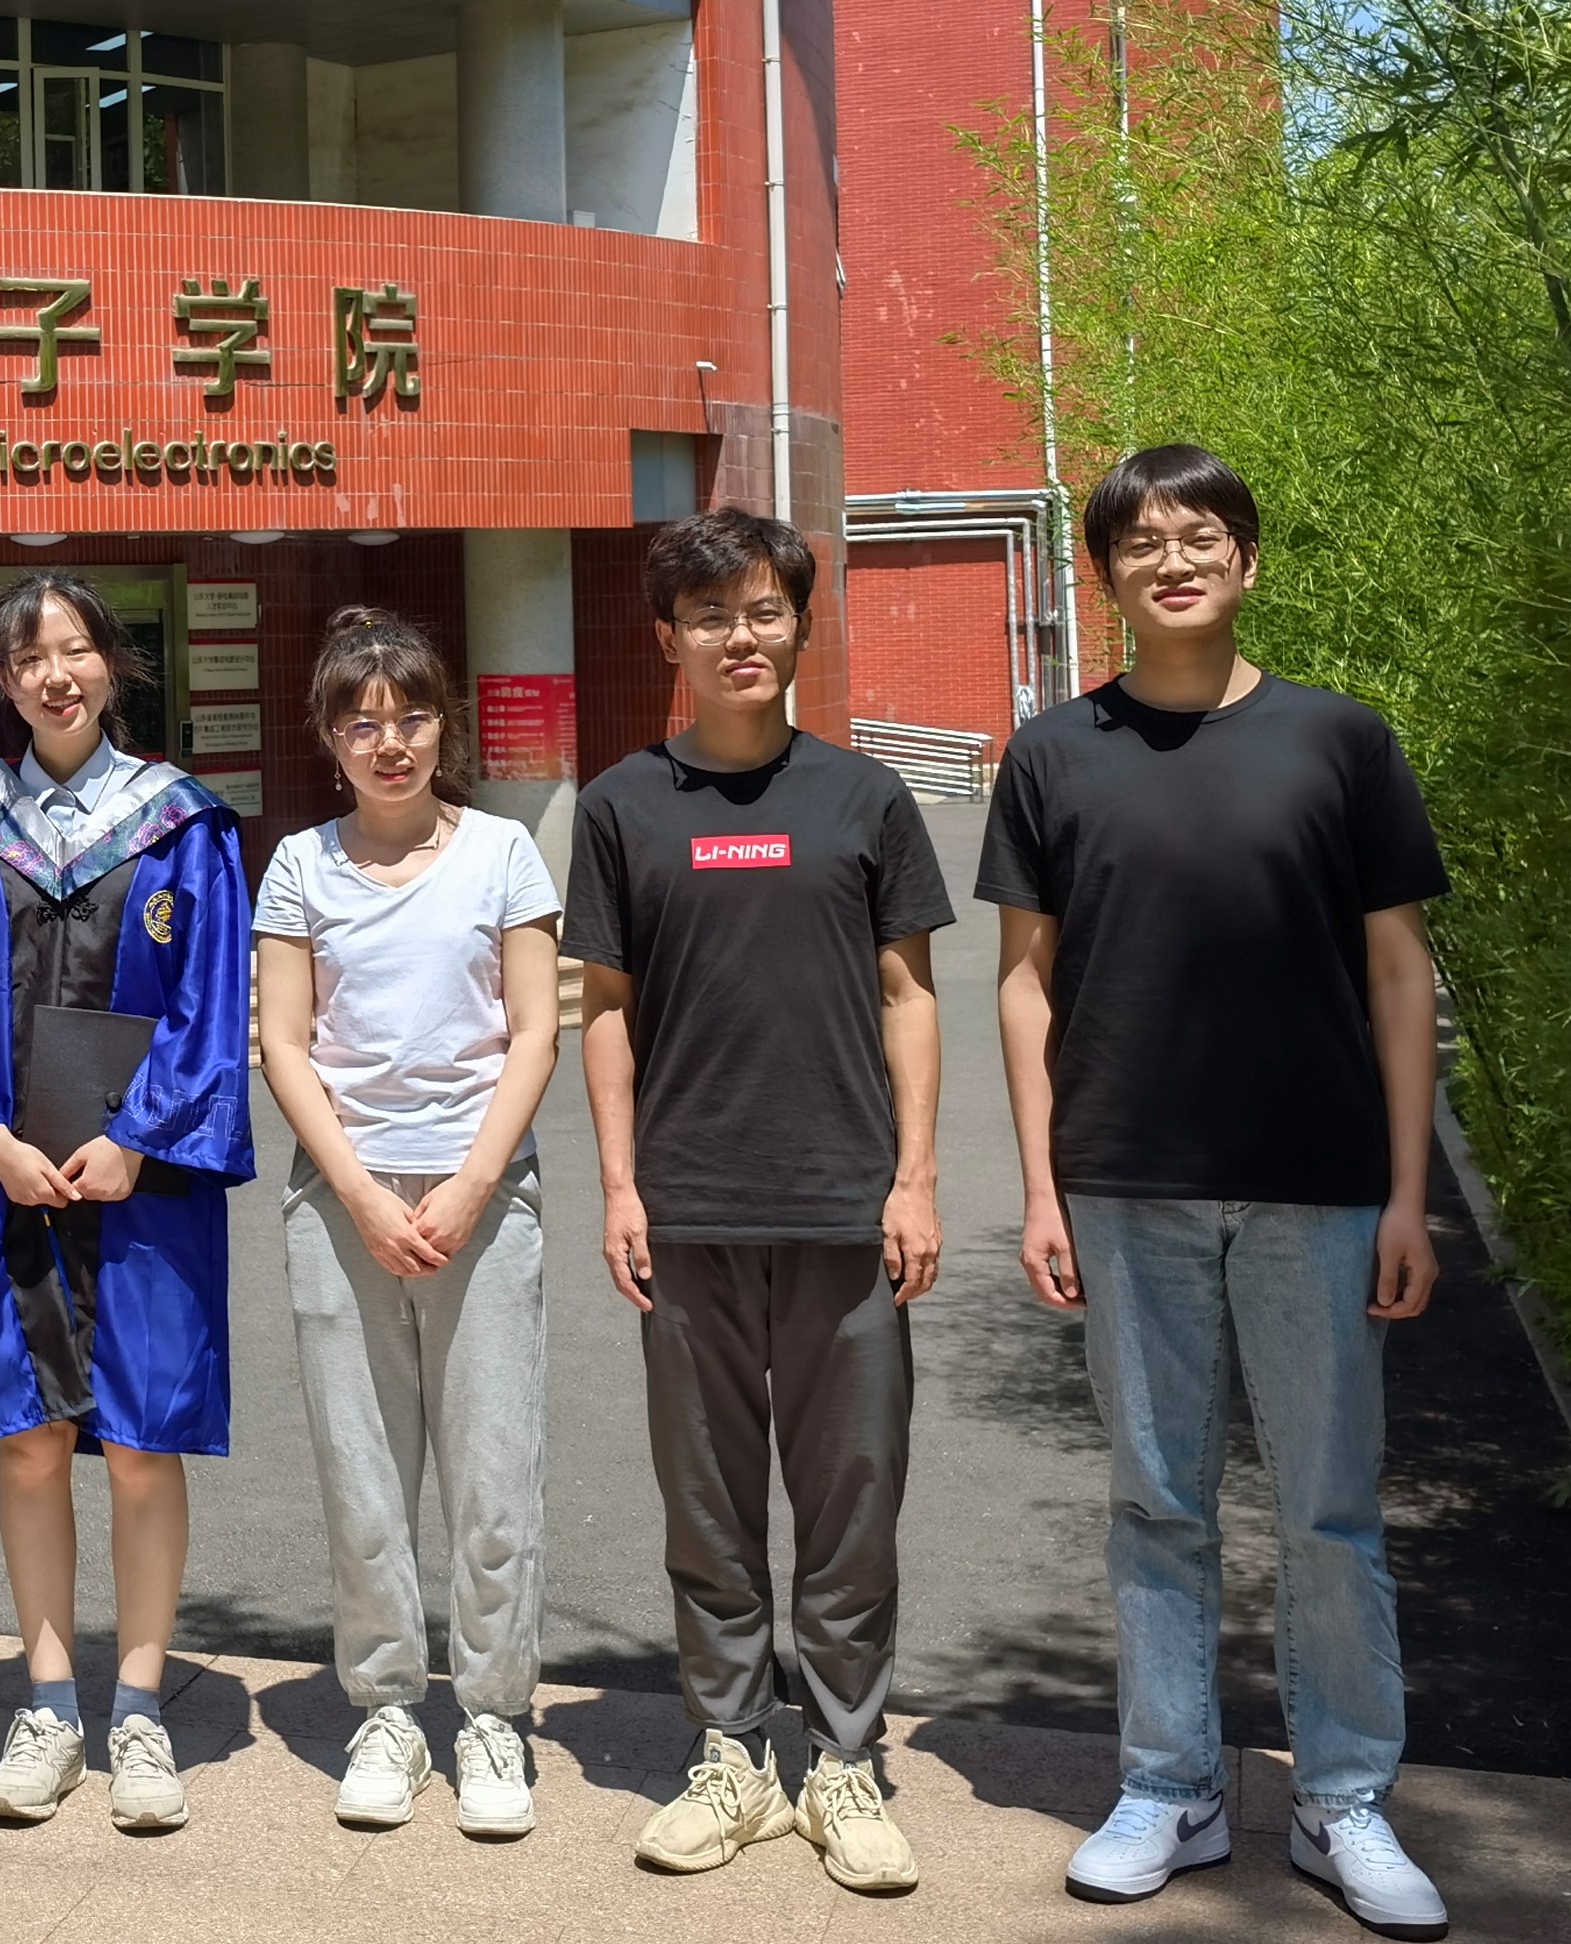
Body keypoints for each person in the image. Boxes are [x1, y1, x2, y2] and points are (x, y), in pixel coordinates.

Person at [980, 445, 1450, 1939]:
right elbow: (1025, 985)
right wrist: (1043, 1187)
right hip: (1127, 1183)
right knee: (1157, 1501)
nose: (1173, 561)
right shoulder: (1053, 754)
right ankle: (1170, 1785)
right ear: (1106, 574)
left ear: (1245, 559)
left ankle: (1344, 1798)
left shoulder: (1340, 740)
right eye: (1142, 542)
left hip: (1319, 1184)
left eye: (1201, 537)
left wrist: (1407, 1194)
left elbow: (1398, 973)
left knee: (1330, 1509)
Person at [567, 507, 951, 1893]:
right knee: (709, 1508)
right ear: (668, 640)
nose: (742, 636)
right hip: (690, 1213)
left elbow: (909, 995)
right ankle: (731, 1756)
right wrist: (621, 1184)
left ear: (800, 626)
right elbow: (606, 1009)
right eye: (711, 616)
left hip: (846, 1208)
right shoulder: (621, 806)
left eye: (765, 611)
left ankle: (842, 1761)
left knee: (853, 1506)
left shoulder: (865, 799)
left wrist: (915, 1177)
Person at [0, 570, 253, 1834]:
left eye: (77, 649)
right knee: (31, 1438)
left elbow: (213, 1004)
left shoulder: (182, 825)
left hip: (145, 1189)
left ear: (111, 664)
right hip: (11, 1184)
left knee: (143, 1443)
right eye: (31, 655)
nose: (57, 674)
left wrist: (139, 1139)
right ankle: (48, 1705)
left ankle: (139, 1710)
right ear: (4, 679)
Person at [256, 608, 562, 1838]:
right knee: (364, 1476)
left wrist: (474, 1183)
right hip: (343, 1199)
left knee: (494, 1479)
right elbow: (284, 1043)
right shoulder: (299, 864)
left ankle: (492, 1716)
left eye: (411, 717)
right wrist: (363, 1192)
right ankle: (386, 1708)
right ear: (329, 739)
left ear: (445, 727)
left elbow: (535, 1031)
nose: (389, 743)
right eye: (361, 723)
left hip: (484, 1193)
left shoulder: (503, 851)